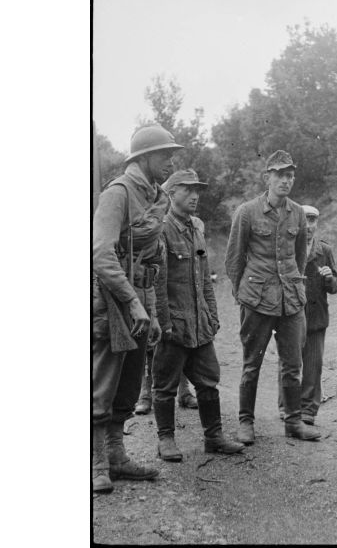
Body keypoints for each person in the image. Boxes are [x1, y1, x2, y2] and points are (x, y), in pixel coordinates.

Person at [92, 125, 183, 494]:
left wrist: (153, 310)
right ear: (144, 158)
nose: (171, 161)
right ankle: (96, 462)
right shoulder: (118, 193)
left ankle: (117, 456)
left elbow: (154, 256)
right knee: (103, 382)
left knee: (130, 380)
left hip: (141, 298)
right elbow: (100, 253)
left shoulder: (157, 197)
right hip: (113, 299)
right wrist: (130, 301)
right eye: (165, 155)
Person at [225, 150, 321, 445]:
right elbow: (234, 259)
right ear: (267, 177)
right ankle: (246, 422)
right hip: (257, 299)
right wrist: (244, 294)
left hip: (291, 300)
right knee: (251, 364)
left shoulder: (297, 214)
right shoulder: (247, 212)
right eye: (280, 175)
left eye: (290, 175)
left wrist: (293, 284)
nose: (285, 180)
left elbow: (300, 256)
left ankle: (293, 422)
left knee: (293, 364)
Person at [152, 169, 244, 461]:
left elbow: (204, 278)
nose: (195, 196)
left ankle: (213, 436)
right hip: (174, 324)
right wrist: (164, 324)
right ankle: (165, 439)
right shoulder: (162, 229)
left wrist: (212, 315)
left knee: (208, 381)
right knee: (165, 384)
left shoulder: (196, 228)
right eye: (187, 190)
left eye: (197, 190)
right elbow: (158, 282)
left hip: (200, 323)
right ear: (171, 194)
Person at [278, 205, 337, 425]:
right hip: (291, 314)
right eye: (305, 221)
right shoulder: (286, 249)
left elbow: (336, 287)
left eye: (313, 221)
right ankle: (287, 406)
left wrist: (329, 278)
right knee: (290, 361)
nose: (310, 226)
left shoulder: (325, 251)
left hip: (316, 317)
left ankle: (308, 409)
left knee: (313, 365)